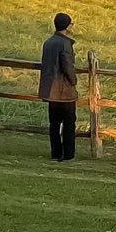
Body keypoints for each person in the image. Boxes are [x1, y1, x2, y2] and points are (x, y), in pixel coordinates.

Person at [38, 12, 80, 162]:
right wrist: (74, 81)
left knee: (54, 124)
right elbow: (67, 66)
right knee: (69, 122)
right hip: (64, 91)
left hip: (50, 90)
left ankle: (56, 153)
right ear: (67, 26)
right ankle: (68, 154)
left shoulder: (48, 42)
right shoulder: (65, 44)